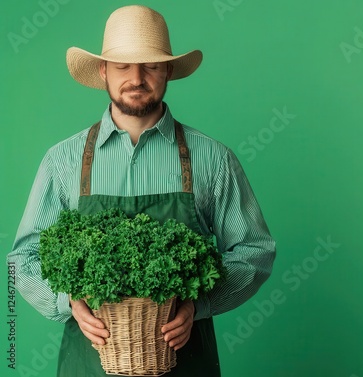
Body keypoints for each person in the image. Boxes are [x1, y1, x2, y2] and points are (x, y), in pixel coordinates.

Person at [7, 5, 275, 377]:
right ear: (103, 70)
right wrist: (67, 301)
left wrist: (197, 303)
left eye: (150, 65)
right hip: (90, 363)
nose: (136, 77)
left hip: (184, 361)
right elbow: (22, 257)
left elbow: (255, 251)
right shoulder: (63, 160)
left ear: (167, 70)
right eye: (122, 66)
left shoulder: (213, 159)